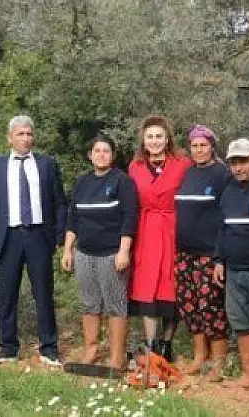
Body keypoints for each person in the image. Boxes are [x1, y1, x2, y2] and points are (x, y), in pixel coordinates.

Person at [0, 115, 68, 367]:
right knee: (6, 294)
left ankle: (48, 348)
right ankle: (8, 346)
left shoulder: (47, 164)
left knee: (44, 294)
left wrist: (59, 236)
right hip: (8, 237)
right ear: (9, 138)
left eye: (29, 134)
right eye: (20, 134)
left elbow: (60, 202)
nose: (26, 139)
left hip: (39, 236)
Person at [61, 136, 138, 370]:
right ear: (90, 155)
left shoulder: (122, 182)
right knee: (89, 304)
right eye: (97, 150)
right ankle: (92, 349)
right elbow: (73, 218)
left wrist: (124, 250)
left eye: (106, 151)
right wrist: (67, 250)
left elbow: (129, 217)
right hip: (84, 253)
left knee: (115, 305)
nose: (102, 154)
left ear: (112, 156)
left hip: (112, 254)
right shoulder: (82, 182)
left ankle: (116, 357)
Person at [127, 115, 190, 362]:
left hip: (173, 228)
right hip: (146, 230)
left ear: (167, 139)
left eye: (159, 137)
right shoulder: (135, 167)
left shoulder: (182, 164)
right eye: (150, 136)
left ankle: (167, 343)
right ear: (143, 139)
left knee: (171, 285)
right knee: (147, 288)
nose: (154, 141)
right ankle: (151, 344)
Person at [173, 125, 233, 381]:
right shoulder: (187, 173)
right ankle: (200, 356)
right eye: (194, 145)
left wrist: (221, 255)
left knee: (211, 307)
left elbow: (228, 216)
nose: (198, 150)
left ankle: (219, 361)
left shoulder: (223, 174)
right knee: (190, 306)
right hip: (184, 252)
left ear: (212, 147)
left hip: (209, 253)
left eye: (203, 145)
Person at [213, 138, 249, 390]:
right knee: (242, 324)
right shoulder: (229, 190)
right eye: (234, 163)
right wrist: (218, 260)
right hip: (233, 269)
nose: (238, 168)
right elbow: (222, 229)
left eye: (243, 161)